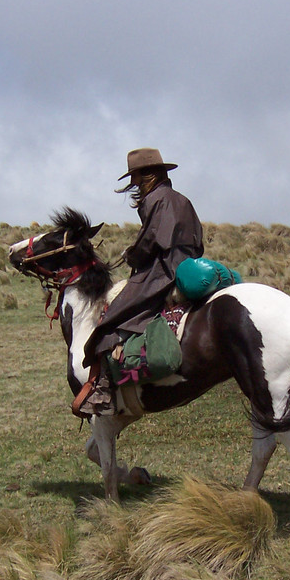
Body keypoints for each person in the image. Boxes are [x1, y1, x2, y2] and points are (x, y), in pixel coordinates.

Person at [73, 148, 204, 417]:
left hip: (163, 270)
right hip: (187, 263)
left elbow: (152, 241)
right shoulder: (182, 199)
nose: (133, 183)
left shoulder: (158, 199)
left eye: (135, 176)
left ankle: (103, 389)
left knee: (113, 317)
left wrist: (132, 255)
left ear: (147, 175)